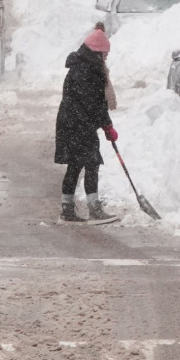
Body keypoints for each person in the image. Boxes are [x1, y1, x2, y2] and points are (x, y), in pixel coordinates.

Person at [55, 25, 117, 223]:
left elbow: (91, 103)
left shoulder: (80, 66)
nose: (106, 57)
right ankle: (94, 209)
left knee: (75, 165)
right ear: (98, 52)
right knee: (92, 163)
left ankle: (67, 209)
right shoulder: (90, 71)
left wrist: (104, 124)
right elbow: (95, 103)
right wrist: (107, 126)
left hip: (71, 122)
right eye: (105, 54)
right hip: (79, 124)